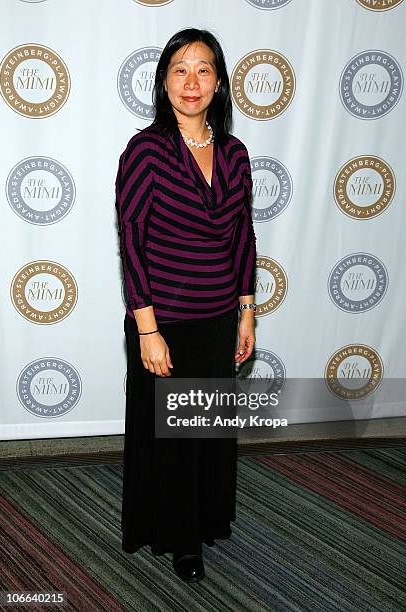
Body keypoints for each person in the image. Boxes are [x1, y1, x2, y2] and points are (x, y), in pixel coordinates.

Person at [115, 28, 256, 583]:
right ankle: (179, 537)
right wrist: (147, 329)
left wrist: (247, 309)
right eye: (180, 69)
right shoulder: (146, 151)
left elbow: (243, 235)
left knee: (208, 432)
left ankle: (204, 521)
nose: (191, 82)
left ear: (219, 83)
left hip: (218, 318)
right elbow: (131, 239)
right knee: (171, 437)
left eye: (203, 70)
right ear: (164, 81)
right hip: (163, 321)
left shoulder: (235, 154)